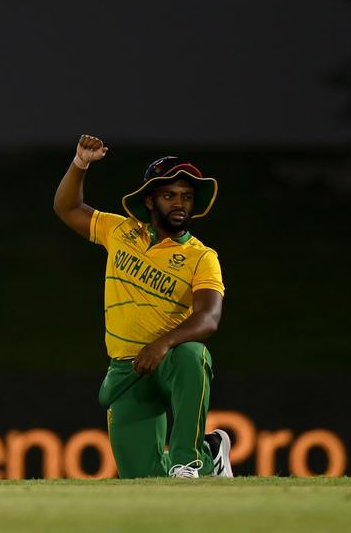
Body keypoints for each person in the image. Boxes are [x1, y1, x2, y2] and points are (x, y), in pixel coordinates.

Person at [53, 134, 234, 478]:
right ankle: (212, 455)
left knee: (193, 354)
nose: (179, 203)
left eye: (186, 196)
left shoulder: (202, 256)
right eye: (169, 195)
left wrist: (163, 343)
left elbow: (208, 318)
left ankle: (188, 460)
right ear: (150, 201)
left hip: (169, 359)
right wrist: (81, 164)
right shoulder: (120, 232)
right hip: (127, 368)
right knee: (143, 476)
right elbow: (67, 208)